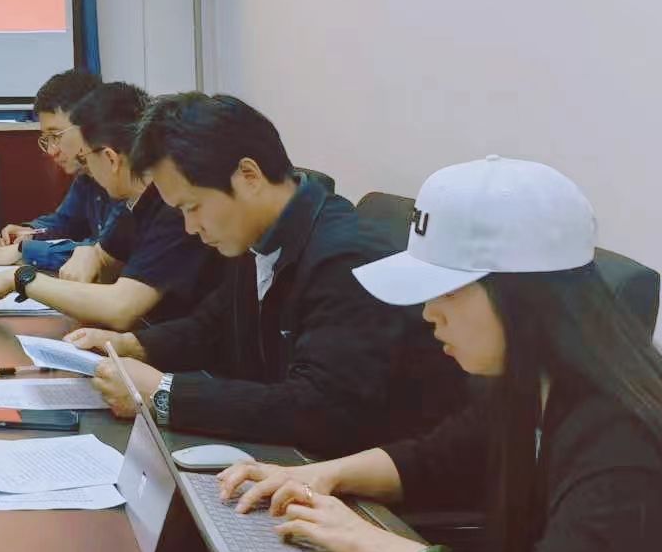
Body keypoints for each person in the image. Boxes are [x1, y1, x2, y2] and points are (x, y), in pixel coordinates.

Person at [218, 157, 662, 552]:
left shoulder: (624, 439)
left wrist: (375, 545)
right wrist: (318, 475)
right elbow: (437, 458)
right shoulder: (531, 387)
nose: (428, 314)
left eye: (446, 293)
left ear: (524, 297)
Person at [88, 93, 461, 454]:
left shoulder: (345, 257)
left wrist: (165, 393)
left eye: (193, 207)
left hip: (359, 474)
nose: (190, 227)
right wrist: (134, 345)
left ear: (248, 176)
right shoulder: (255, 236)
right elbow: (212, 326)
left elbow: (321, 407)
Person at [0, 82, 222, 327]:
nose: (86, 170)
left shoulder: (173, 208)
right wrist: (90, 253)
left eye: (85, 159)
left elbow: (120, 307)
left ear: (111, 158)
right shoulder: (137, 201)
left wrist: (19, 278)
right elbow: (103, 258)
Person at [0, 68, 115, 280]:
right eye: (47, 139)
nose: (52, 151)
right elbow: (65, 222)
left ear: (89, 126)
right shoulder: (86, 176)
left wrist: (25, 251)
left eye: (56, 136)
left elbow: (106, 250)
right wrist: (31, 232)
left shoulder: (126, 179)